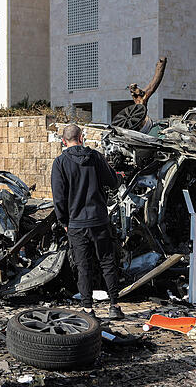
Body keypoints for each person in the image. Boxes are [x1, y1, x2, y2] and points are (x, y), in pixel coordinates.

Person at [51, 124, 124, 320]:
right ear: (82, 137)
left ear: (64, 141)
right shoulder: (96, 157)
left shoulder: (60, 163)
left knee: (83, 267)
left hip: (75, 224)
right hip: (99, 220)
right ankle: (114, 306)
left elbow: (58, 197)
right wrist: (119, 177)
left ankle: (88, 310)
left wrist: (63, 221)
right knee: (108, 262)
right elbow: (111, 182)